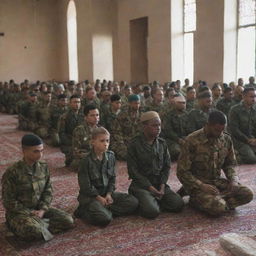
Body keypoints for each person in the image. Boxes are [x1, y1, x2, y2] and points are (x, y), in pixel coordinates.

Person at [177, 111, 253, 216]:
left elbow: (229, 164)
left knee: (247, 194)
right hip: (198, 186)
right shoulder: (192, 140)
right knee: (218, 207)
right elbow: (182, 172)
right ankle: (197, 200)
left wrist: (233, 180)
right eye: (217, 130)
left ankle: (218, 202)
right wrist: (201, 185)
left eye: (223, 130)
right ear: (208, 125)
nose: (220, 133)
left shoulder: (225, 139)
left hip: (217, 183)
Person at [1, 134, 74, 241]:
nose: (40, 154)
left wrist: (42, 210)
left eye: (42, 151)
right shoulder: (13, 172)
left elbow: (48, 191)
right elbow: (8, 201)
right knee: (32, 231)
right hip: (20, 213)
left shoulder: (43, 167)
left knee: (68, 220)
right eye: (36, 151)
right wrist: (29, 213)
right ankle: (30, 227)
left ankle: (40, 226)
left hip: (39, 210)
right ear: (24, 151)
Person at [74, 127, 138, 226]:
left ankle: (104, 210)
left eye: (107, 141)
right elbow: (85, 187)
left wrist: (108, 194)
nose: (106, 144)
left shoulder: (111, 156)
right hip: (91, 197)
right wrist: (99, 198)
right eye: (102, 141)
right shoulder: (85, 161)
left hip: (106, 194)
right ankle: (84, 211)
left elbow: (112, 178)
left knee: (133, 202)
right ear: (93, 142)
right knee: (105, 219)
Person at [127, 111, 184, 219]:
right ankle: (145, 199)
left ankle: (153, 200)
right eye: (154, 125)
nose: (158, 128)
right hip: (142, 186)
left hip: (159, 184)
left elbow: (166, 167)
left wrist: (162, 186)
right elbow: (133, 171)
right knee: (152, 212)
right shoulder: (134, 144)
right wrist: (151, 188)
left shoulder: (162, 144)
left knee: (178, 204)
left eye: (159, 125)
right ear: (144, 126)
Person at [229, 87, 256, 164]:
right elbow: (234, 130)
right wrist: (247, 140)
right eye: (251, 97)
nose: (254, 99)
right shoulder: (235, 110)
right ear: (244, 97)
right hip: (240, 141)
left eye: (255, 96)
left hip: (253, 140)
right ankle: (236, 156)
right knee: (252, 159)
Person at [71, 104, 100, 170]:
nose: (96, 118)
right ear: (85, 117)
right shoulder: (79, 130)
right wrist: (91, 156)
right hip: (85, 157)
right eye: (92, 115)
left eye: (97, 115)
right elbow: (76, 151)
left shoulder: (100, 130)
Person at [58, 95, 84, 166]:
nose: (77, 104)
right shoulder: (64, 117)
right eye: (75, 102)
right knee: (76, 164)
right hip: (69, 143)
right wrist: (73, 143)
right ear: (70, 103)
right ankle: (70, 157)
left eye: (78, 102)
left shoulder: (83, 116)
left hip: (82, 142)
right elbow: (61, 133)